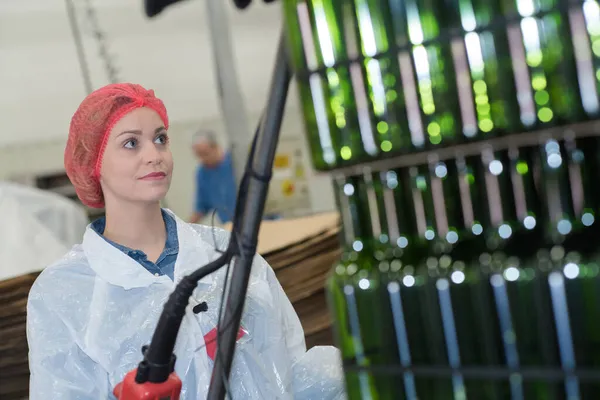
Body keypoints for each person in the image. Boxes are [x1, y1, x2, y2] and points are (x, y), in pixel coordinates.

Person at [26, 83, 345, 399]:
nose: (154, 155)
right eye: (131, 144)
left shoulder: (229, 255)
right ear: (94, 163)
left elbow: (289, 367)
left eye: (160, 139)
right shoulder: (63, 291)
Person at [189, 131, 237, 224]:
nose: (203, 159)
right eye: (199, 155)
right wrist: (185, 229)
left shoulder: (235, 161)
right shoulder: (202, 174)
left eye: (205, 153)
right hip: (230, 226)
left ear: (215, 147)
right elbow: (201, 207)